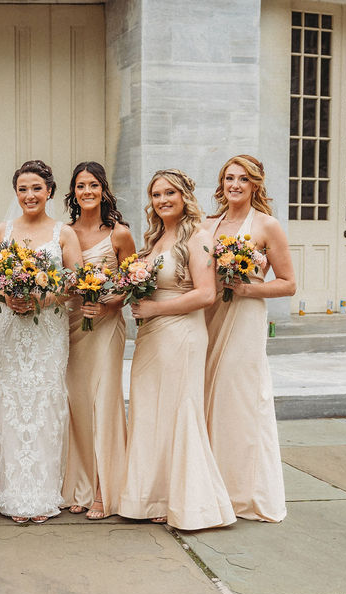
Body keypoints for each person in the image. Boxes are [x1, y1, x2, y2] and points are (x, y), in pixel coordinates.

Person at [118, 168, 235, 531]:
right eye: (156, 195)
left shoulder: (198, 237)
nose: (163, 200)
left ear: (184, 196)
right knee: (149, 412)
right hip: (152, 336)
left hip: (181, 333)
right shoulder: (154, 239)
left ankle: (186, 502)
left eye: (170, 193)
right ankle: (151, 496)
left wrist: (155, 308)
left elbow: (206, 293)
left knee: (179, 411)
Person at [0, 160, 81, 523]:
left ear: (50, 191)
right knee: (11, 402)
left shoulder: (64, 233)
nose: (30, 195)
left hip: (48, 329)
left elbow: (73, 281)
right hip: (11, 328)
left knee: (44, 402)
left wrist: (43, 298)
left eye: (37, 188)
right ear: (16, 193)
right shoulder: (1, 231)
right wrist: (7, 296)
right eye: (23, 189)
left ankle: (42, 494)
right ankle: (12, 493)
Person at [203, 155, 296, 522]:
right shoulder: (209, 224)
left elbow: (288, 284)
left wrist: (247, 290)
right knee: (207, 392)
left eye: (243, 179)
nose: (235, 185)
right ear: (222, 183)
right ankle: (207, 483)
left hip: (244, 317)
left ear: (255, 184)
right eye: (229, 178)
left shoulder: (267, 225)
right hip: (209, 316)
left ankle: (242, 492)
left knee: (239, 397)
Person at [62, 162, 135, 520]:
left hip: (106, 326)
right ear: (73, 192)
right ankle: (82, 485)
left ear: (104, 190)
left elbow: (133, 281)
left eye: (92, 185)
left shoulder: (119, 234)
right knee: (77, 404)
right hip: (73, 324)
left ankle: (108, 490)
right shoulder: (66, 232)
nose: (86, 191)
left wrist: (109, 306)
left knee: (103, 402)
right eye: (80, 186)